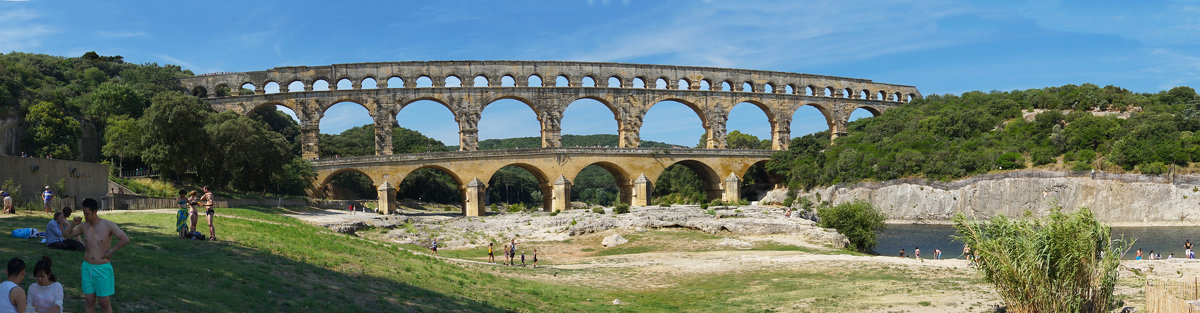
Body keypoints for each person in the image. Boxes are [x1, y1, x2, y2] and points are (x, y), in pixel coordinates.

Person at [62, 198, 130, 313]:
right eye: (84, 213)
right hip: (87, 267)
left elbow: (124, 239)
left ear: (95, 211)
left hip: (102, 268)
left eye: (87, 213)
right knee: (89, 300)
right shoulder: (84, 226)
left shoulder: (108, 225)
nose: (85, 216)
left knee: (104, 302)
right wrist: (72, 224)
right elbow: (66, 235)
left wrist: (111, 252)